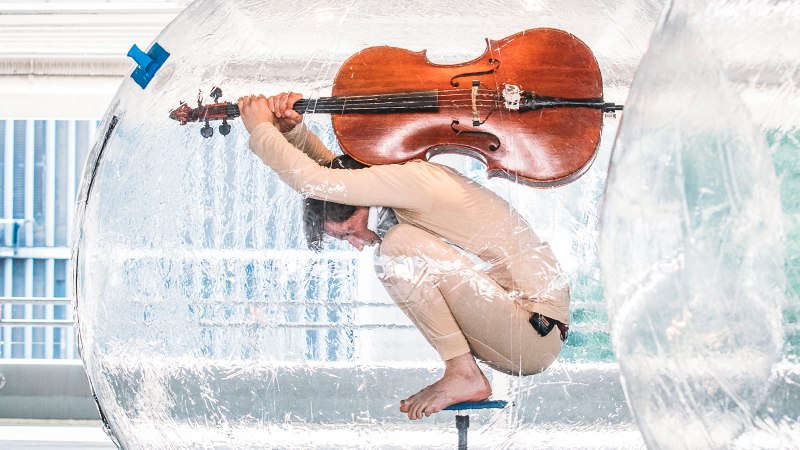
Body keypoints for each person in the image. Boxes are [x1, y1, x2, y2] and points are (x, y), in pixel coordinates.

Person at [237, 93, 571, 421]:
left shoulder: (413, 181)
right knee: (394, 243)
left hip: (531, 331)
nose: (355, 243)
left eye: (347, 231)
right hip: (520, 328)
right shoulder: (394, 192)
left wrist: (262, 130)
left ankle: (463, 373)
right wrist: (293, 132)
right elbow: (337, 176)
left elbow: (322, 182)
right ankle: (462, 372)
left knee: (396, 248)